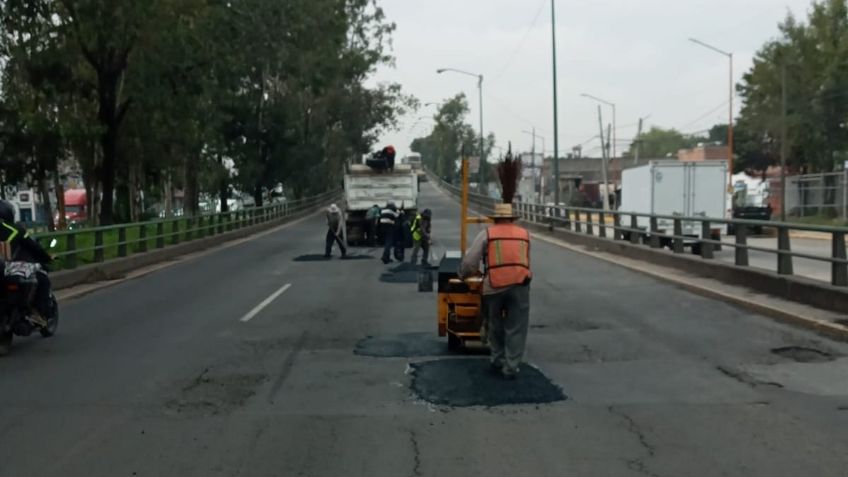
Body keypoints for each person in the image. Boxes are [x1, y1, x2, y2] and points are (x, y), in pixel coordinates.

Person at [459, 203, 532, 380]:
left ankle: (497, 360)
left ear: (495, 219)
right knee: (516, 327)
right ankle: (511, 367)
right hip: (520, 283)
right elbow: (526, 260)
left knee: (494, 323)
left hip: (494, 285)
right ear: (512, 219)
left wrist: (462, 274)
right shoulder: (525, 234)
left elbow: (471, 262)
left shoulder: (487, 234)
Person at [0, 200, 55, 320]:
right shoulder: (15, 230)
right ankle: (40, 312)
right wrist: (47, 258)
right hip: (10, 269)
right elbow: (33, 247)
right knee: (42, 278)